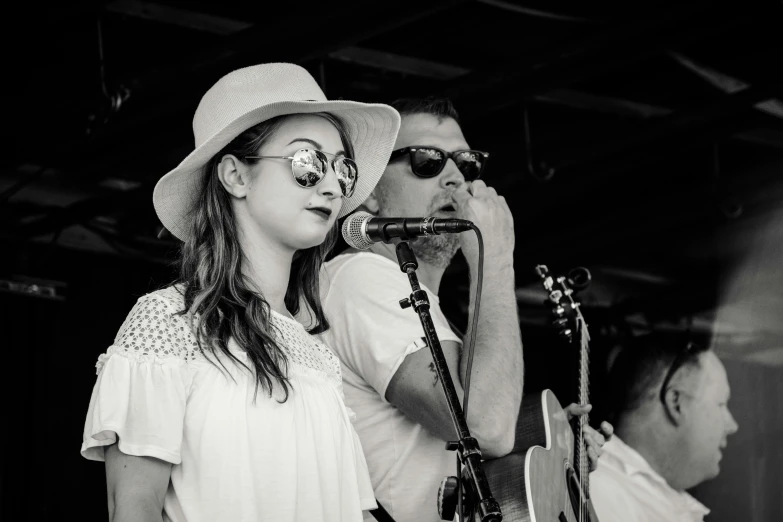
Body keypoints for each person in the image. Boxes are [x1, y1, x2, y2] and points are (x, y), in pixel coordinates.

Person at [80, 63, 401, 522]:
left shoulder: (318, 359)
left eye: (342, 168)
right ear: (235, 175)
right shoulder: (168, 321)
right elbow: (134, 507)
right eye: (307, 163)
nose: (332, 185)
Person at [318, 97, 612, 522]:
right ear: (370, 195)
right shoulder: (362, 277)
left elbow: (478, 443)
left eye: (467, 163)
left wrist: (549, 446)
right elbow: (485, 428)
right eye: (427, 161)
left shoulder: (419, 301)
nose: (456, 177)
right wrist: (494, 259)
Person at [590, 332, 739, 522]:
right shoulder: (596, 494)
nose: (732, 425)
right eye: (721, 404)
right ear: (676, 402)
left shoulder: (657, 498)